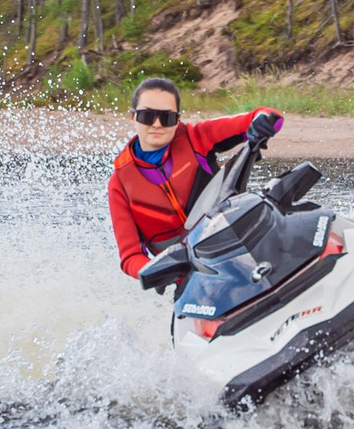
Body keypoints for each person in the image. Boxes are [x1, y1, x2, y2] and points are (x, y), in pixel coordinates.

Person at [107, 76, 283, 280]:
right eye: (147, 116)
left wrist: (263, 122)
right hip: (195, 280)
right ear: (132, 117)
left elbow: (272, 117)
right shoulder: (119, 184)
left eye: (167, 118)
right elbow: (130, 258)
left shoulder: (197, 138)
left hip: (244, 245)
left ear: (178, 119)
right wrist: (162, 270)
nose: (156, 124)